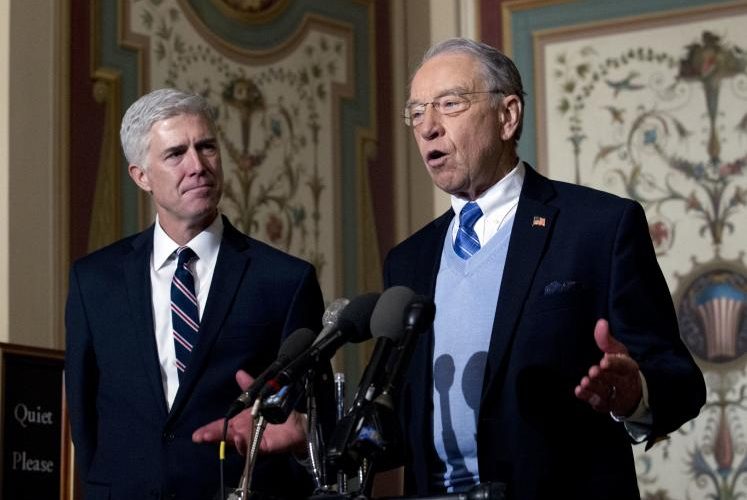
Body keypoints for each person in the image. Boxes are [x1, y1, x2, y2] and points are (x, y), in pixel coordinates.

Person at [383, 38, 706, 500]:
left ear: (508, 115)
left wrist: (636, 394)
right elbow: (401, 419)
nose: (428, 127)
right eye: (416, 113)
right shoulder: (408, 260)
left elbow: (681, 382)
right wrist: (310, 435)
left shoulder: (597, 228)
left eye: (449, 104)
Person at [65, 88, 325, 500]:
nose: (198, 166)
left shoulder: (285, 281)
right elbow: (84, 415)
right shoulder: (94, 281)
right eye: (175, 154)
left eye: (206, 147)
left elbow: (310, 420)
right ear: (141, 175)